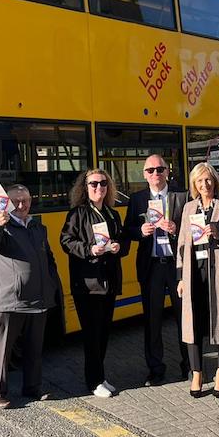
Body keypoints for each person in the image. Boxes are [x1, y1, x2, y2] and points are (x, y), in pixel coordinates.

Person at [0, 184, 61, 409]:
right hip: (8, 301)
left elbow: (48, 258)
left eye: (26, 200)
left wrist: (51, 284)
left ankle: (32, 387)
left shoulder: (37, 227)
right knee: (0, 350)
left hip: (38, 299)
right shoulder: (1, 226)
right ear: (9, 202)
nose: (22, 205)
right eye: (17, 201)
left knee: (34, 348)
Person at [60, 169, 131, 398]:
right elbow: (66, 241)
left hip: (108, 282)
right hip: (87, 284)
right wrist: (89, 249)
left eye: (103, 184)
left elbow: (122, 240)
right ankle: (93, 381)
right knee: (92, 334)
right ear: (84, 187)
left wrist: (119, 246)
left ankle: (100, 377)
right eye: (93, 184)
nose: (99, 188)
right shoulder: (77, 214)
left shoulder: (112, 214)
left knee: (103, 332)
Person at [123, 154, 190, 386]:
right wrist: (140, 230)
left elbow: (195, 227)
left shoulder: (182, 196)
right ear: (144, 174)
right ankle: (156, 369)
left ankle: (189, 366)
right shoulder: (138, 199)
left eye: (159, 169)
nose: (155, 174)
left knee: (185, 318)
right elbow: (127, 230)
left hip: (177, 266)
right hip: (151, 266)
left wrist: (176, 228)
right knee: (152, 320)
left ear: (167, 171)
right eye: (150, 170)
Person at [176, 162, 219, 398]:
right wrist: (180, 277)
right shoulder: (189, 208)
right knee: (193, 323)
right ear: (194, 184)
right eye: (200, 181)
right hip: (194, 272)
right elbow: (182, 244)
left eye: (208, 180)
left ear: (215, 181)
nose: (205, 185)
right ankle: (197, 372)